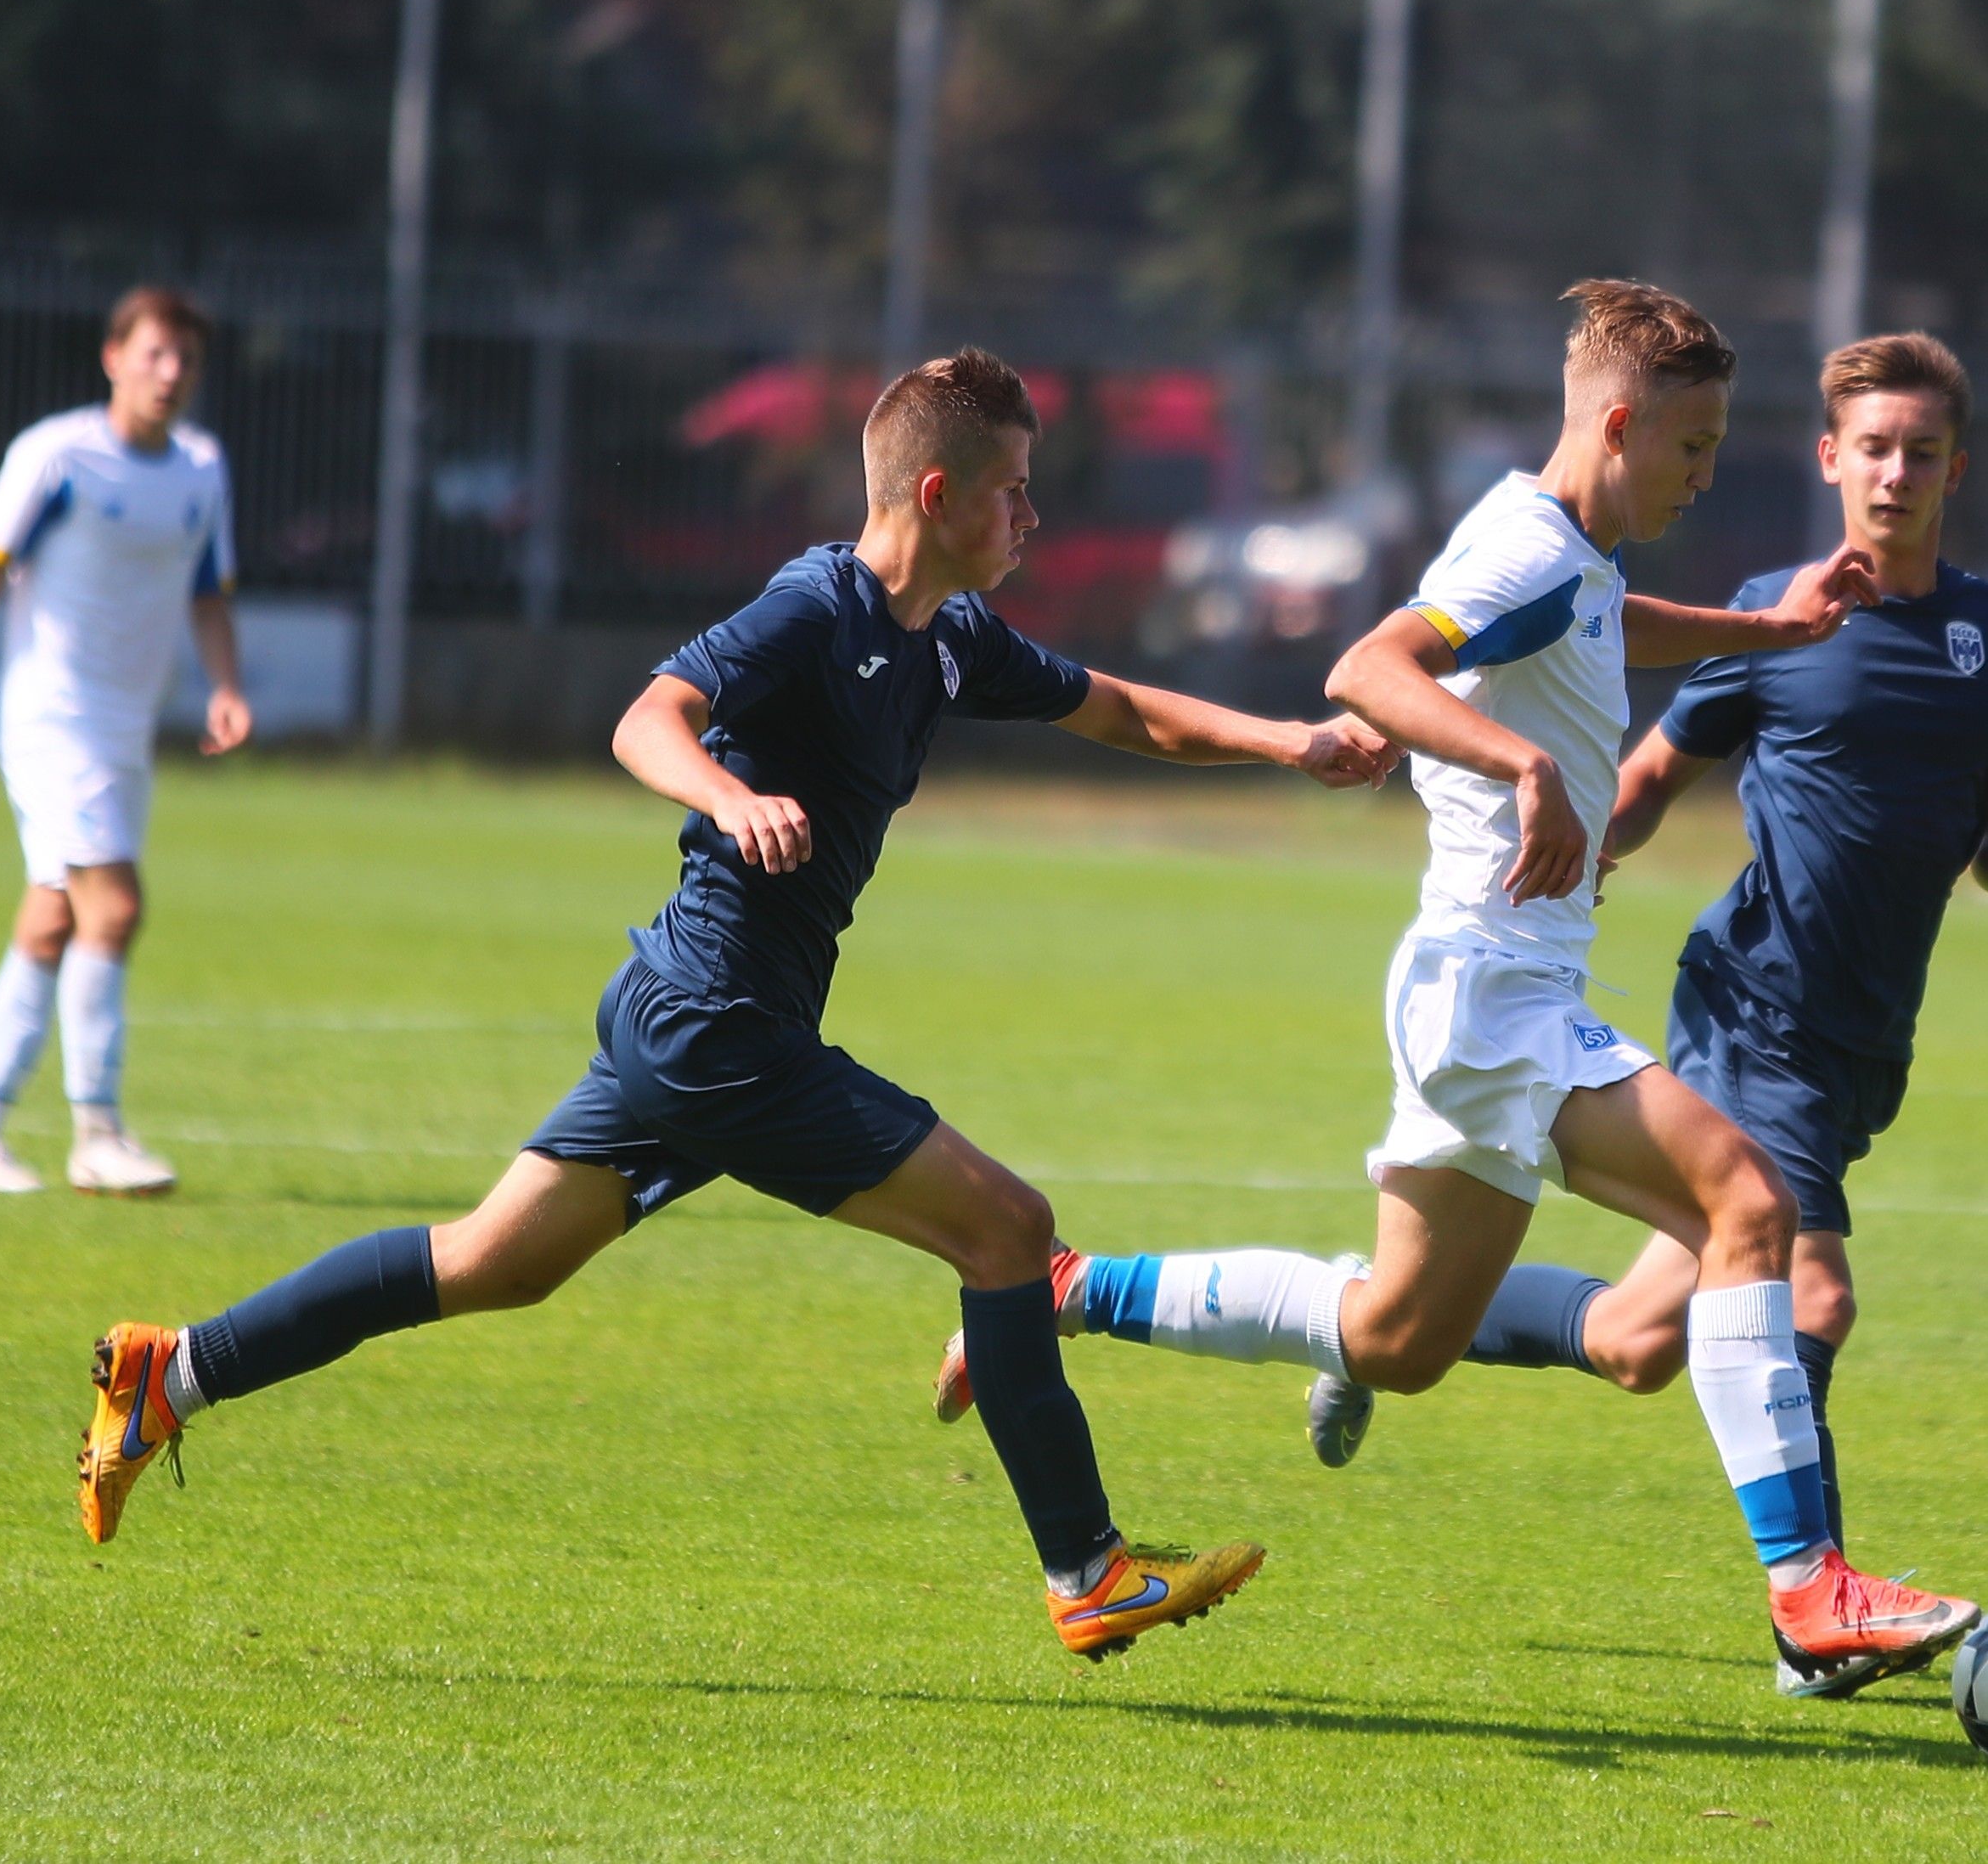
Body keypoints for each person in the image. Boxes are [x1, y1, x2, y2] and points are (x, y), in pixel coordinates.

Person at [76, 347, 1399, 1659]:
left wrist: (1287, 741)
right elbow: (648, 716)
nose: (1032, 517)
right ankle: (1086, 1567)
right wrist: (726, 790)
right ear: (934, 493)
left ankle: (167, 1372)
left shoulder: (946, 637)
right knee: (1009, 1232)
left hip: (692, 1016)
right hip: (718, 1026)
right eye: (1014, 489)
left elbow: (1115, 710)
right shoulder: (815, 607)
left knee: (492, 1260)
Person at [932, 284, 1980, 1692]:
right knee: (1749, 1205)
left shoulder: (1575, 555)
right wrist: (1521, 764)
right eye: (1692, 449)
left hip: (1477, 990)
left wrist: (1777, 635)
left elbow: (1613, 624)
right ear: (1619, 426)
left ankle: (1077, 1286)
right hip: (1498, 992)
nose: (1704, 475)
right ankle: (1810, 1592)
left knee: (1397, 1338)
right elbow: (1369, 665)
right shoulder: (1525, 548)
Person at [1312, 330, 1988, 1698]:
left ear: (1952, 468)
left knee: (1634, 1340)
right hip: (1757, 1007)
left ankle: (1370, 1321)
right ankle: (1814, 1610)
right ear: (1829, 460)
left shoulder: (1979, 641)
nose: (1894, 470)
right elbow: (1648, 773)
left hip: (1864, 1038)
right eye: (1870, 445)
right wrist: (1554, 862)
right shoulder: (1775, 614)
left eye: (1919, 449)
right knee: (1805, 1275)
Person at [0, 285, 250, 1197]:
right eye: (153, 354)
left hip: (126, 735)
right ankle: (98, 1133)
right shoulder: (57, 457)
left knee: (53, 917)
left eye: (186, 360)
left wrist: (227, 683)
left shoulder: (202, 469)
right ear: (112, 357)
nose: (169, 374)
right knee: (114, 910)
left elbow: (209, 589)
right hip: (50, 720)